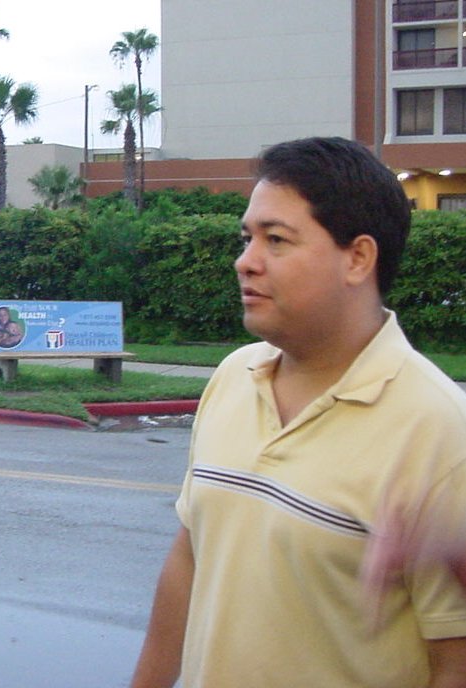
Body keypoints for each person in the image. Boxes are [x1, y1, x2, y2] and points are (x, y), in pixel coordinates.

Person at [130, 137, 466, 688]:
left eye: (276, 240)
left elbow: (455, 662)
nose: (245, 261)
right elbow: (190, 561)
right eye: (247, 238)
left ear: (358, 258)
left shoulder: (437, 427)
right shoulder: (234, 376)